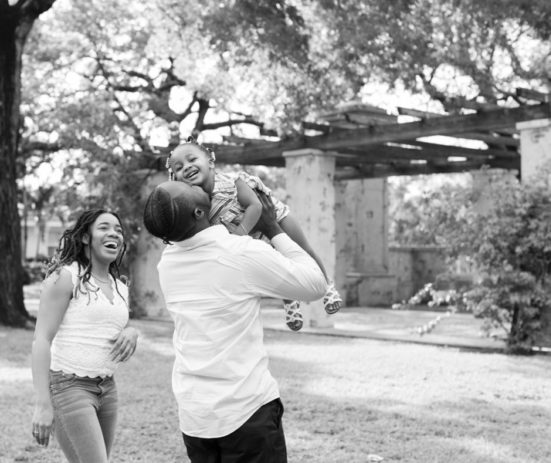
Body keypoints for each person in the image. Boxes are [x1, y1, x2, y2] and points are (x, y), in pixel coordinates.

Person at [143, 180, 328, 463]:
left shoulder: (167, 263)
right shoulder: (238, 252)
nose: (188, 179)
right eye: (184, 187)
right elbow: (315, 285)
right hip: (246, 412)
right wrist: (272, 228)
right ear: (197, 213)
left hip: (195, 417)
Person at [166, 138, 342, 331]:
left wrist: (241, 232)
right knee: (279, 263)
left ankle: (328, 286)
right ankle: (290, 304)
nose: (187, 167)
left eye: (192, 159)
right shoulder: (198, 202)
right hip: (251, 237)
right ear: (175, 177)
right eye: (179, 167)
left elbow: (255, 205)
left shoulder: (232, 181)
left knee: (302, 248)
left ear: (210, 161)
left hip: (274, 216)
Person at [31, 209, 139, 463]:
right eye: (104, 227)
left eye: (118, 229)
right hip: (70, 386)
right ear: (85, 238)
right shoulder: (66, 276)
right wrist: (42, 403)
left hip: (108, 388)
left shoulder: (120, 285)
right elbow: (42, 339)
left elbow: (119, 324)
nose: (114, 233)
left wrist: (132, 331)